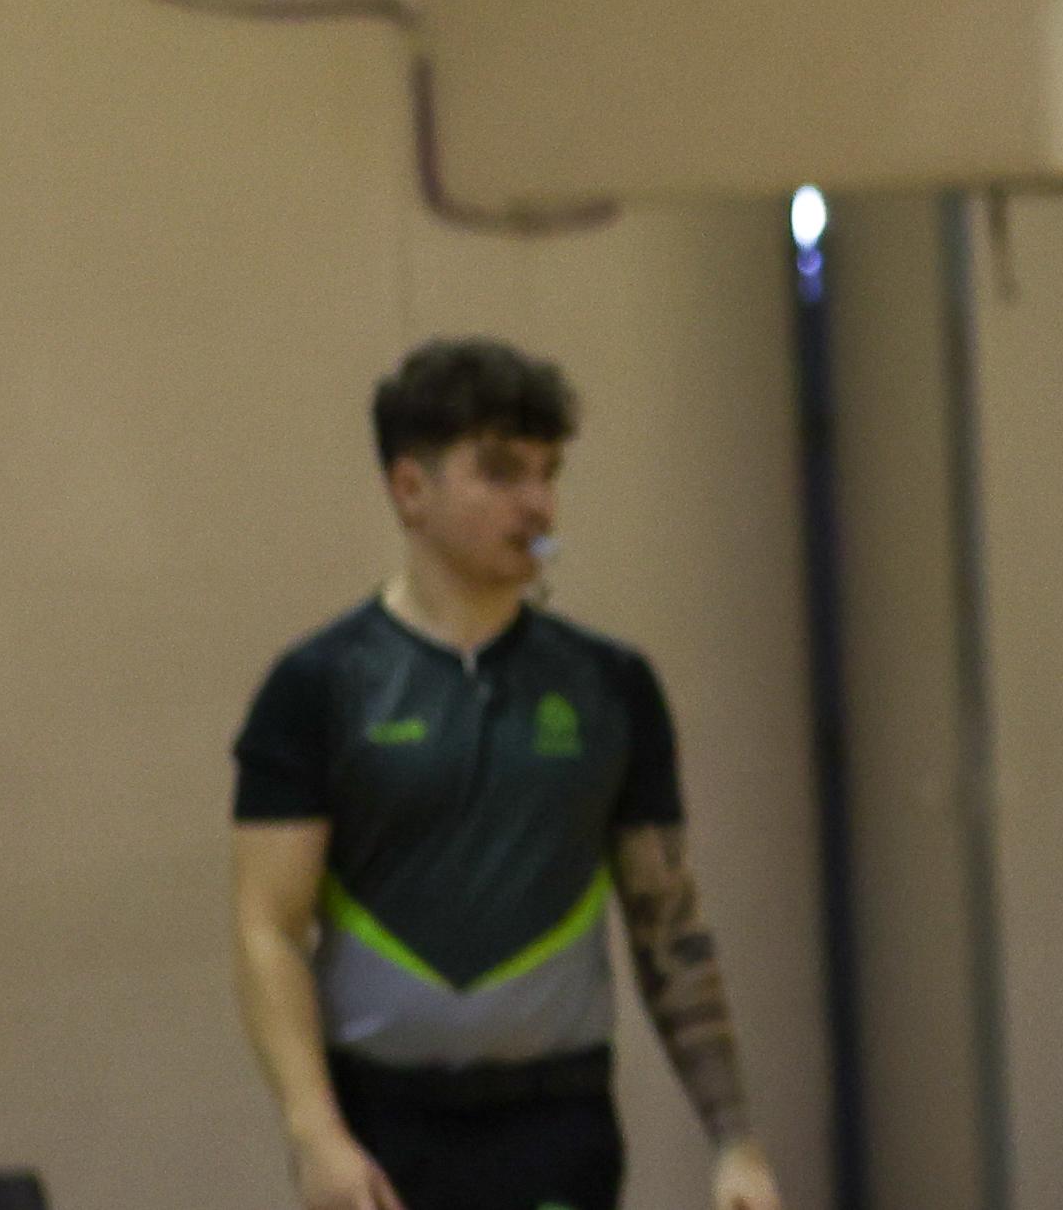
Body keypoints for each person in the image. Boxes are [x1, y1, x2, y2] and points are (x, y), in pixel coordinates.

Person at [229, 340, 781, 1210]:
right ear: (409, 489)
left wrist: (735, 1139)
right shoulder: (318, 686)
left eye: (547, 472)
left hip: (555, 1123)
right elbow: (267, 927)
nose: (537, 503)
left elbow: (668, 920)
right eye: (499, 473)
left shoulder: (611, 686)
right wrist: (316, 1132)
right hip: (382, 1127)